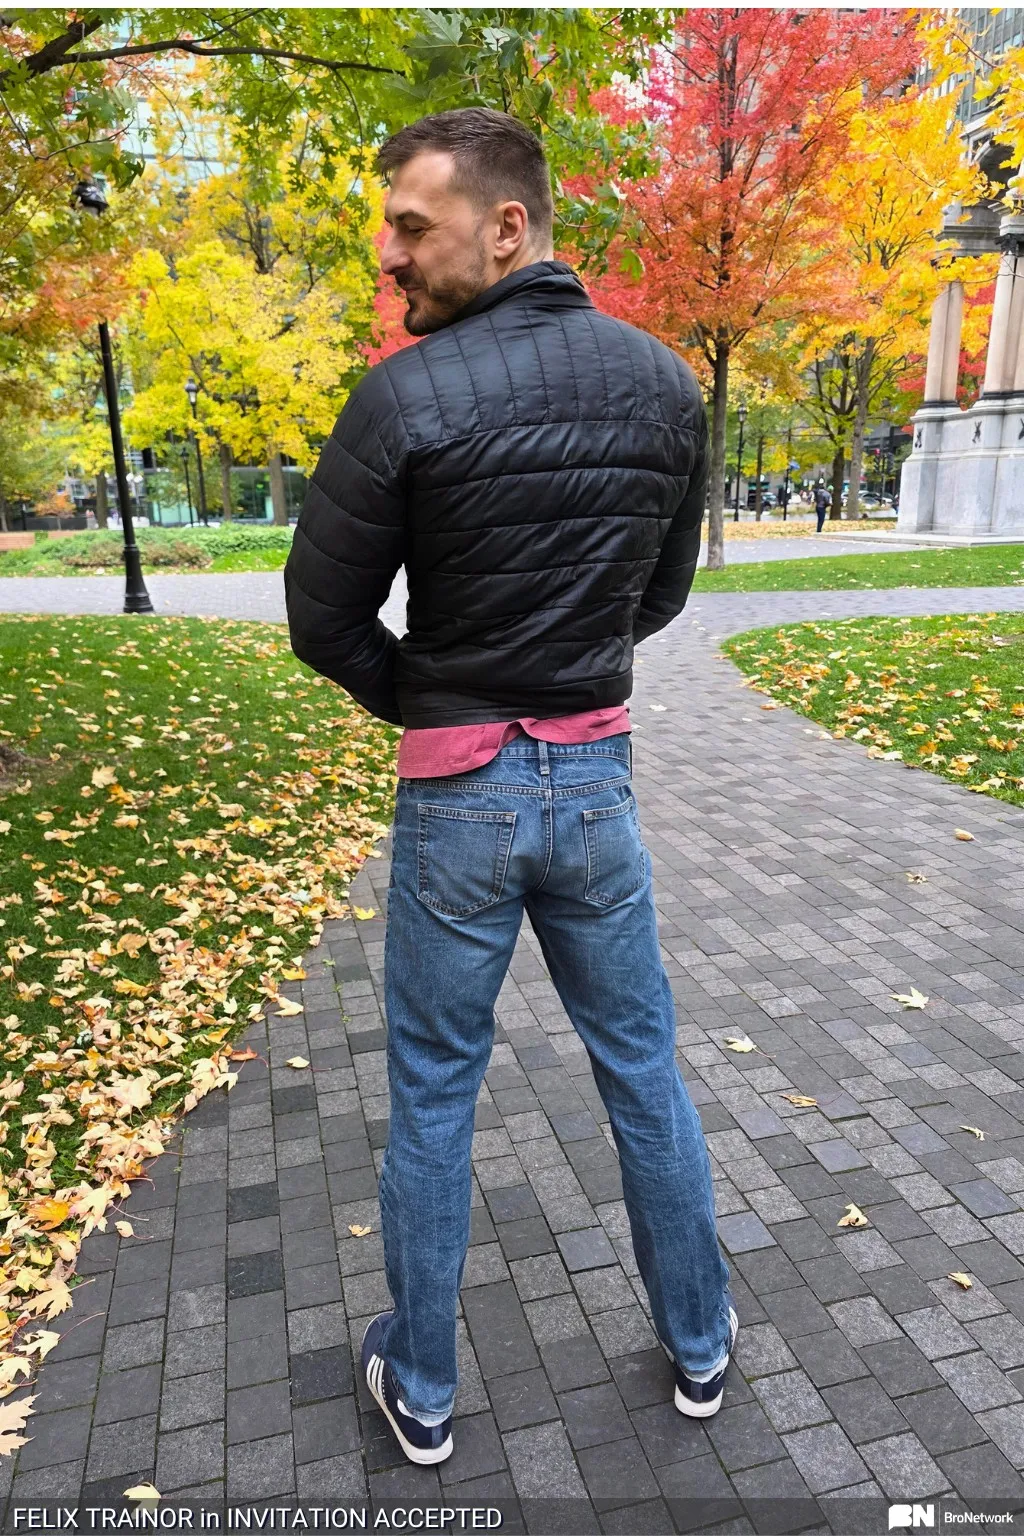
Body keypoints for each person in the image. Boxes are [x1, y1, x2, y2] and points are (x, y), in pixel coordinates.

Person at [284, 107, 735, 1469]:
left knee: (435, 1090)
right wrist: (561, 677)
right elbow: (659, 593)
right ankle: (701, 1342)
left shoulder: (402, 396)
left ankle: (422, 1388)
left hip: (459, 804)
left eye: (411, 227)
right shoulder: (666, 384)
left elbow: (323, 619)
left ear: (507, 226)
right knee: (642, 1068)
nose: (389, 257)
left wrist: (439, 703)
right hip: (594, 786)